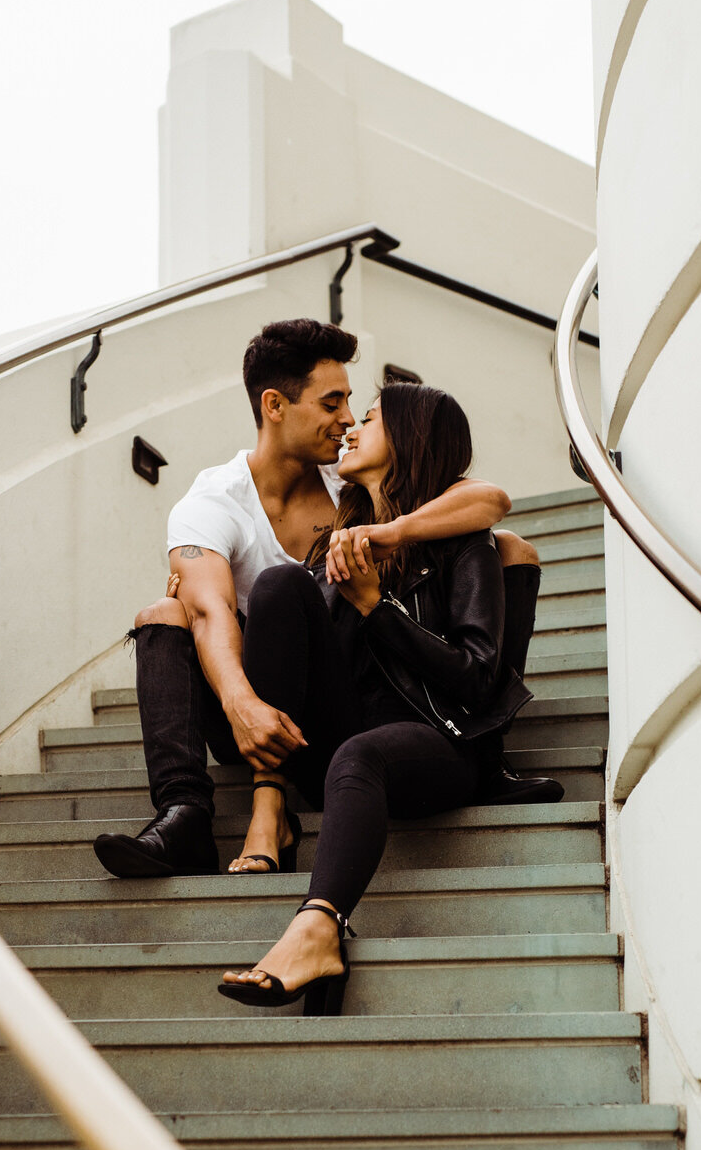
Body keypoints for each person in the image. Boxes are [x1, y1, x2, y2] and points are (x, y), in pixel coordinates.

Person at [92, 318, 529, 880]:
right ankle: (184, 813)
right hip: (249, 703)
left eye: (354, 406)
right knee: (164, 612)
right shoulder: (214, 502)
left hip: (331, 697)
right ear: (275, 405)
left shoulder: (348, 483)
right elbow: (208, 611)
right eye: (332, 403)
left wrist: (384, 535)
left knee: (511, 548)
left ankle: (485, 745)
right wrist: (241, 705)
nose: (347, 421)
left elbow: (488, 500)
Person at [217, 382, 543, 1014]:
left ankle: (318, 928)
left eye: (367, 418)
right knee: (281, 586)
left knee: (360, 756)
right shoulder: (337, 544)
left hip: (440, 740)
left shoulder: (462, 543)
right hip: (341, 743)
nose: (350, 429)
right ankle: (271, 795)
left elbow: (478, 679)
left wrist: (376, 606)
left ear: (410, 437)